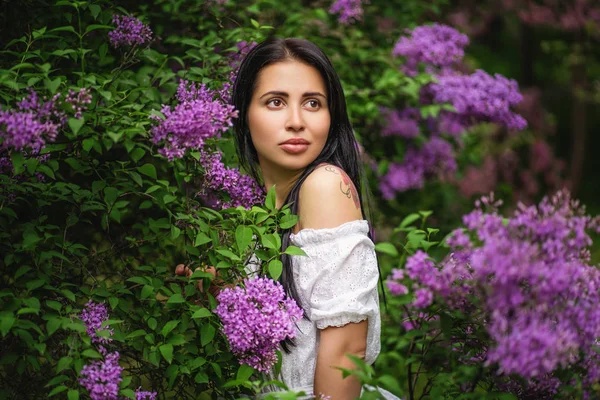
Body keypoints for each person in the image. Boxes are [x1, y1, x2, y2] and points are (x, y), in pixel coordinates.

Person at [179, 37, 400, 399]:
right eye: (276, 102)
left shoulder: (324, 186)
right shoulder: (256, 214)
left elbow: (346, 350)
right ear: (244, 113)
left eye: (313, 103)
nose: (296, 121)